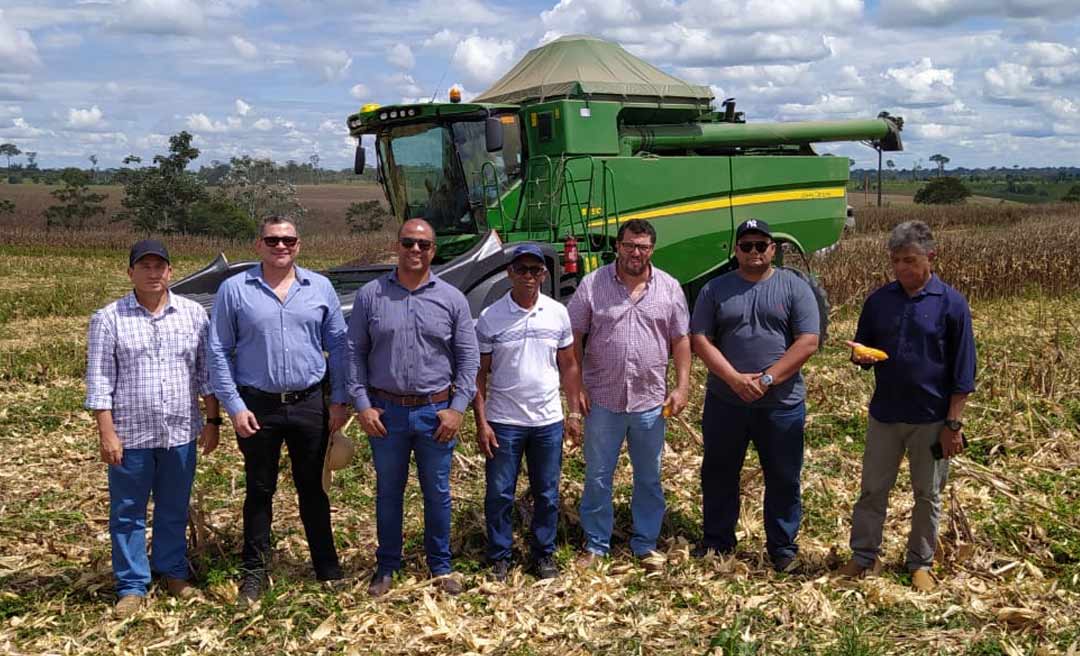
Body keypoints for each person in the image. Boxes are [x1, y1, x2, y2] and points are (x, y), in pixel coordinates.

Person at [207, 216, 349, 605]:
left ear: (298, 245)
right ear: (259, 245)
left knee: (314, 489)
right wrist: (233, 406)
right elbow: (217, 350)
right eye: (273, 240)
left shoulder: (319, 287)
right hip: (257, 407)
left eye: (288, 240)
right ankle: (253, 572)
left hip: (308, 404)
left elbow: (337, 345)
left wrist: (339, 400)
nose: (280, 246)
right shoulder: (235, 290)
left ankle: (326, 566)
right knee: (259, 490)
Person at [837, 220, 976, 592]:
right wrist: (860, 358)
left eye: (910, 260)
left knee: (927, 495)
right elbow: (862, 348)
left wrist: (953, 425)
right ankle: (863, 556)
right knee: (872, 490)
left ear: (930, 257)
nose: (902, 268)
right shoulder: (879, 301)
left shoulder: (951, 304)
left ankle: (920, 563)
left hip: (931, 419)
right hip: (885, 414)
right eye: (896, 261)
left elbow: (963, 372)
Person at [85, 240, 220, 617]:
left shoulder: (193, 314)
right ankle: (131, 585)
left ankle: (173, 573)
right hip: (130, 436)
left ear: (170, 272)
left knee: (174, 508)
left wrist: (212, 420)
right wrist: (106, 432)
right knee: (127, 511)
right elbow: (99, 380)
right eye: (144, 266)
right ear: (130, 273)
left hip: (179, 432)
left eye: (159, 266)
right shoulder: (109, 318)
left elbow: (204, 374)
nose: (153, 272)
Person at [347, 218, 479, 597]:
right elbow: (354, 352)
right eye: (409, 243)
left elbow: (468, 359)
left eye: (423, 245)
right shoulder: (371, 295)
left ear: (433, 250)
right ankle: (387, 566)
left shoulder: (452, 298)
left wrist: (457, 408)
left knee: (437, 492)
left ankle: (441, 566)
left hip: (434, 412)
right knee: (389, 491)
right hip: (386, 413)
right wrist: (362, 405)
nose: (415, 251)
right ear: (398, 246)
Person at [689, 219, 820, 573]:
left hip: (781, 404)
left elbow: (808, 341)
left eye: (760, 245)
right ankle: (718, 541)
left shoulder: (794, 288)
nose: (753, 253)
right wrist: (734, 379)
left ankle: (782, 546)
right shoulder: (715, 289)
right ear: (736, 250)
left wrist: (766, 379)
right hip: (726, 401)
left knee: (782, 475)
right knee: (718, 472)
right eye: (746, 246)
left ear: (772, 249)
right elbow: (700, 339)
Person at [567, 219, 691, 570]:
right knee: (597, 475)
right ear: (618, 246)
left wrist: (681, 386)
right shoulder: (593, 284)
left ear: (652, 250)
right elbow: (573, 335)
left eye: (643, 247)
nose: (636, 253)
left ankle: (645, 542)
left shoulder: (668, 287)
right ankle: (596, 544)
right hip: (602, 399)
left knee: (648, 476)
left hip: (650, 401)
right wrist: (577, 390)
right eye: (629, 245)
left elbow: (680, 340)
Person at [474, 244, 582, 581]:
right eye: (522, 270)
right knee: (500, 493)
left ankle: (543, 554)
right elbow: (479, 374)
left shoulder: (557, 313)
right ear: (510, 273)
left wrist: (574, 413)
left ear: (544, 275)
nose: (529, 277)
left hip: (547, 421)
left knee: (547, 493)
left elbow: (569, 366)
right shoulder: (491, 317)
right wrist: (481, 421)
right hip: (504, 421)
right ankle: (500, 557)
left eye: (535, 271)